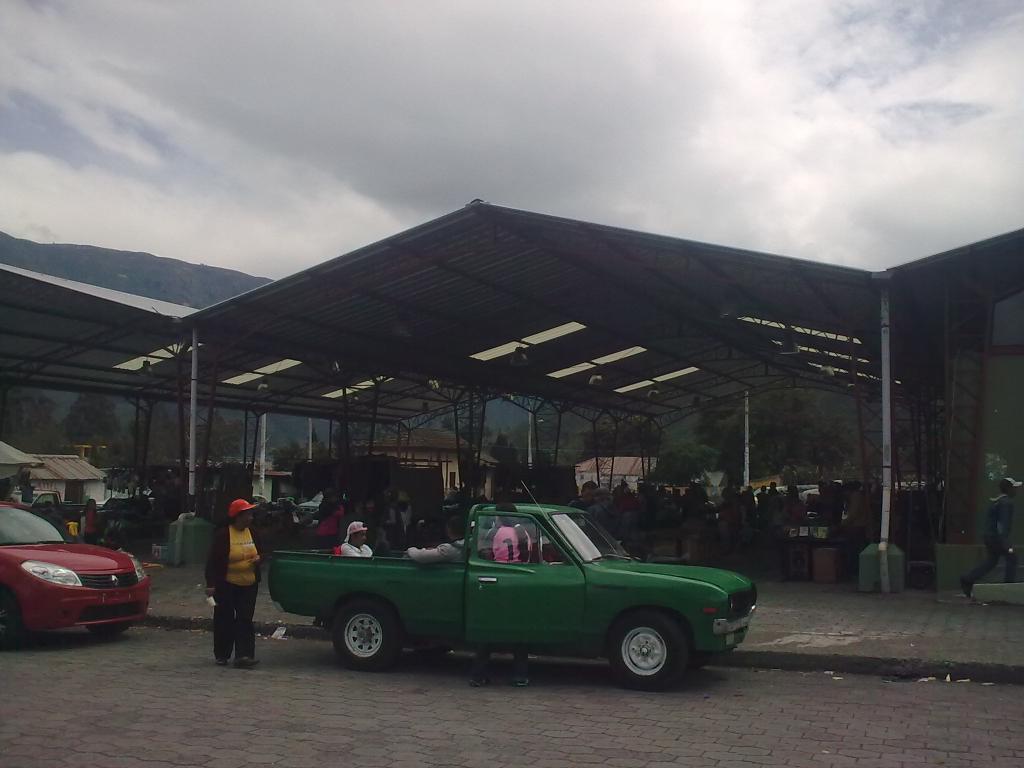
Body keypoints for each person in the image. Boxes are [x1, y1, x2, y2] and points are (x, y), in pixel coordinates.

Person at [205, 498, 264, 669]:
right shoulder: (224, 534)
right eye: (247, 514)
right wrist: (210, 584)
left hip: (249, 583)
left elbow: (262, 551)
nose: (250, 518)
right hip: (227, 584)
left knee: (245, 619)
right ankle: (222, 654)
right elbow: (212, 561)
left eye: (251, 514)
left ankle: (244, 655)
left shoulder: (252, 532)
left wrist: (259, 559)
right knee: (224, 618)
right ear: (237, 516)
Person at [961, 478, 1020, 597]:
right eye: (1014, 488)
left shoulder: (998, 501)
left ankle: (967, 579)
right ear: (1009, 489)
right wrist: (1005, 542)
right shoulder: (1006, 503)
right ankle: (1008, 589)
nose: (1016, 491)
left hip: (990, 537)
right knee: (1012, 558)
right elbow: (1002, 524)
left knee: (992, 561)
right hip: (997, 538)